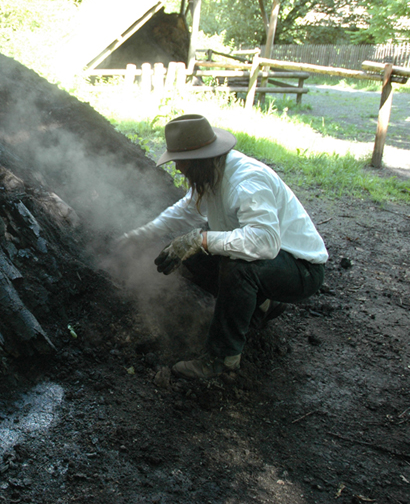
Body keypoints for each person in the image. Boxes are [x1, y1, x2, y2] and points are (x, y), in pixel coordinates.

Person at [116, 114, 328, 379]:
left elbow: (265, 241)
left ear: (198, 159)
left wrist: (200, 240)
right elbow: (186, 210)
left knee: (237, 266)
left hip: (301, 270)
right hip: (274, 262)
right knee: (190, 256)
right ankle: (263, 303)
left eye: (181, 162)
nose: (178, 169)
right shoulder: (211, 173)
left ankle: (222, 359)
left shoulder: (247, 181)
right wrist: (143, 233)